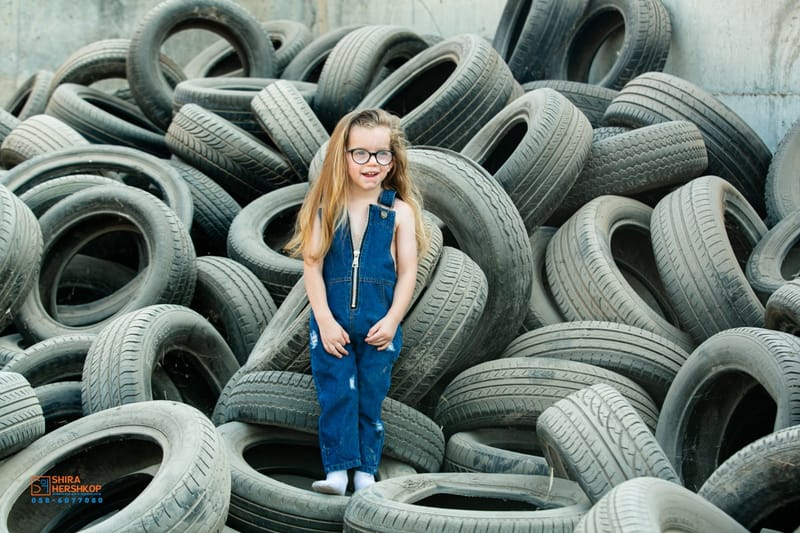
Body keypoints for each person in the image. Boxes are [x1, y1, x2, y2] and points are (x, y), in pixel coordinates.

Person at [287, 108, 429, 495]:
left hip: (378, 326)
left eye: (382, 154)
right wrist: (325, 321)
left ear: (393, 160)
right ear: (343, 156)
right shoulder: (325, 209)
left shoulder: (398, 212)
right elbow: (312, 268)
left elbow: (407, 274)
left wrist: (393, 319)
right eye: (360, 154)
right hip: (331, 326)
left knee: (369, 396)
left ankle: (365, 471)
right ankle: (337, 471)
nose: (372, 163)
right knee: (336, 395)